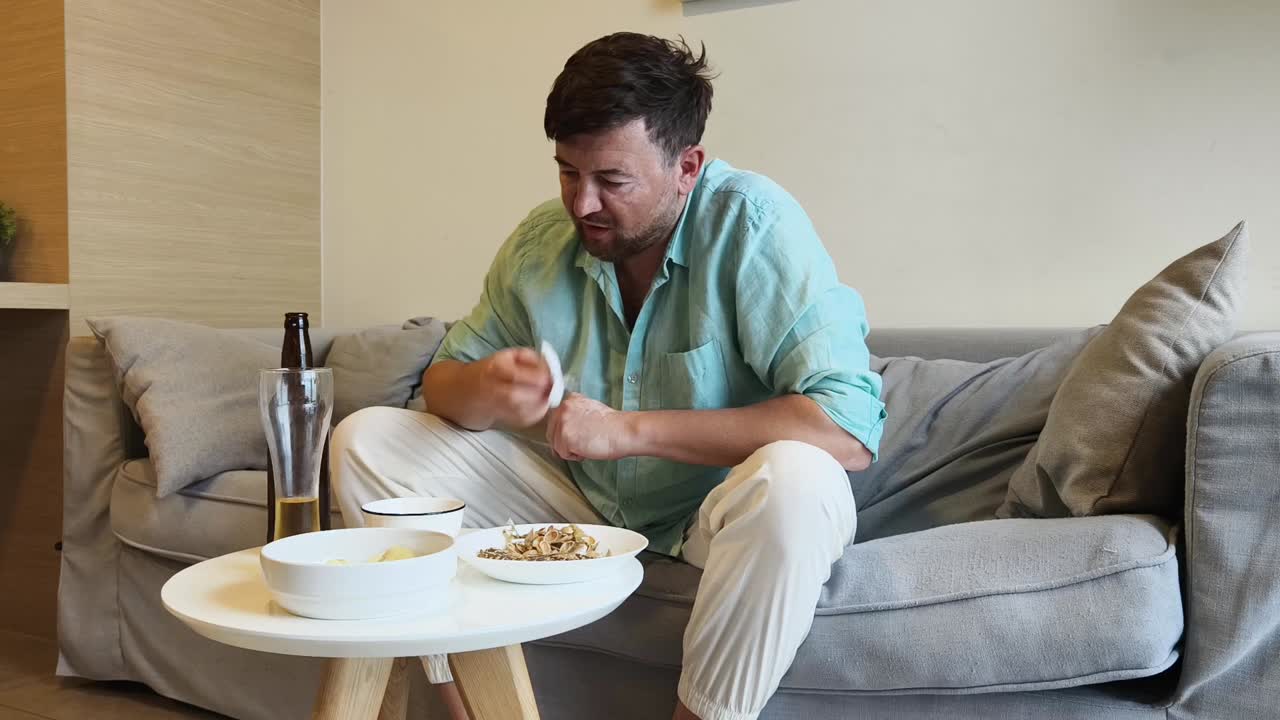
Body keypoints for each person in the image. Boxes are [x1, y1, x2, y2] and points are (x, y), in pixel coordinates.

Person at [332, 32, 887, 720]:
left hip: (714, 517)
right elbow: (440, 386)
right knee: (365, 440)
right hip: (581, 506)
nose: (583, 204)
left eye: (612, 181)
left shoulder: (753, 224)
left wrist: (626, 431)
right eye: (568, 173)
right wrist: (486, 389)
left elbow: (844, 430)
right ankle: (466, 707)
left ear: (687, 167)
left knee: (802, 480)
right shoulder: (541, 243)